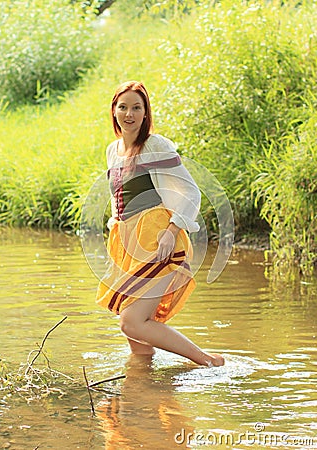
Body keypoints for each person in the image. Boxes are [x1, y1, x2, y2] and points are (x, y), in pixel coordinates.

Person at [96, 80, 224, 367]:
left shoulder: (155, 145)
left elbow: (191, 191)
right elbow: (119, 200)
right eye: (123, 107)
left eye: (136, 108)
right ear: (114, 111)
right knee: (138, 344)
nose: (129, 114)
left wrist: (172, 230)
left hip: (157, 239)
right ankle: (143, 395)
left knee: (132, 322)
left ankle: (206, 361)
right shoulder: (112, 150)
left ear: (145, 113)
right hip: (127, 243)